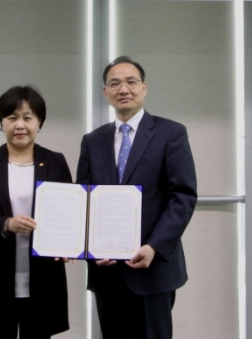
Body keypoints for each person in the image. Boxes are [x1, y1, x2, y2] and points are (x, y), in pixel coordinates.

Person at [77, 56, 197, 339]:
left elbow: (182, 196)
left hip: (153, 268)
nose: (123, 89)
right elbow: (84, 200)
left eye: (131, 82)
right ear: (105, 92)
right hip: (106, 271)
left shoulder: (171, 133)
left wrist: (154, 246)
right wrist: (91, 248)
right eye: (114, 83)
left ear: (144, 88)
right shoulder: (93, 140)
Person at [0, 86, 71, 339]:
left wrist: (69, 243)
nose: (20, 125)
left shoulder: (55, 161)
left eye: (28, 117)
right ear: (2, 122)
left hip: (44, 278)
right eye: (12, 117)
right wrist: (7, 224)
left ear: (39, 122)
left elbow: (69, 214)